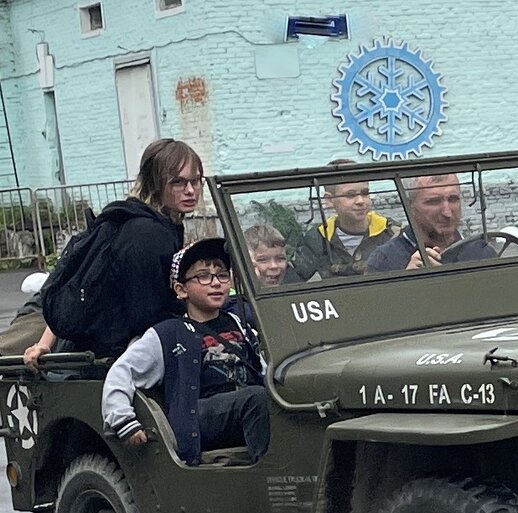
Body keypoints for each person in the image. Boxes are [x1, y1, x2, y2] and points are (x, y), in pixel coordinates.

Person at [23, 138, 204, 370]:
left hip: (92, 341)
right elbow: (147, 314)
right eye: (178, 182)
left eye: (196, 181)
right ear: (155, 184)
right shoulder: (147, 233)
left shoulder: (137, 218)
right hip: (106, 353)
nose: (190, 190)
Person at [101, 238, 270, 465]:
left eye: (221, 275)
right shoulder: (168, 333)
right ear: (181, 289)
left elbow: (263, 367)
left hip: (250, 407)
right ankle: (273, 475)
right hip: (199, 416)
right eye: (203, 276)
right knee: (257, 398)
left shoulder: (238, 322)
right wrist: (123, 420)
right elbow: (122, 372)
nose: (216, 283)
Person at [289, 158, 399, 282]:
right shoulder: (317, 239)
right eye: (350, 195)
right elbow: (291, 281)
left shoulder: (392, 233)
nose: (360, 201)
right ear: (330, 200)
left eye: (365, 193)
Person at [365, 173, 496, 273]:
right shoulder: (384, 261)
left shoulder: (481, 253)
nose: (447, 212)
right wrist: (407, 281)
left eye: (453, 199)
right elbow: (373, 307)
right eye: (434, 201)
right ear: (410, 207)